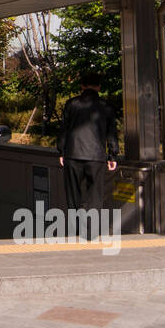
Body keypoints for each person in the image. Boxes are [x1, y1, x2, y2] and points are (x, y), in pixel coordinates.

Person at [57, 73, 120, 220]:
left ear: (82, 86)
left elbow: (63, 130)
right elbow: (111, 132)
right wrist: (112, 155)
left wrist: (61, 151)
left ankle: (76, 230)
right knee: (95, 196)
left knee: (73, 196)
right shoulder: (106, 107)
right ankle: (91, 231)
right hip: (96, 156)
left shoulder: (71, 104)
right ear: (99, 87)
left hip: (72, 154)